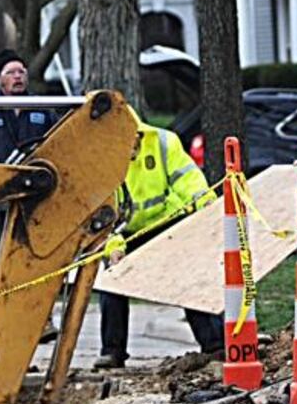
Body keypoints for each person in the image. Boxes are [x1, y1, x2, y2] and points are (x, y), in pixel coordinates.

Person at [93, 114, 222, 369]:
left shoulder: (163, 142)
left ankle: (215, 344)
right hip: (126, 233)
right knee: (111, 283)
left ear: (137, 134)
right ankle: (112, 351)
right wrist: (114, 247)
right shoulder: (103, 159)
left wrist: (206, 208)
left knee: (190, 279)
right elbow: (102, 212)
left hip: (166, 224)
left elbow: (188, 179)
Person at [0, 49, 67, 270]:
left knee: (36, 263)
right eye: (11, 72)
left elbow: (61, 152)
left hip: (37, 203)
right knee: (0, 265)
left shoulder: (44, 110)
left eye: (21, 71)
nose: (17, 76)